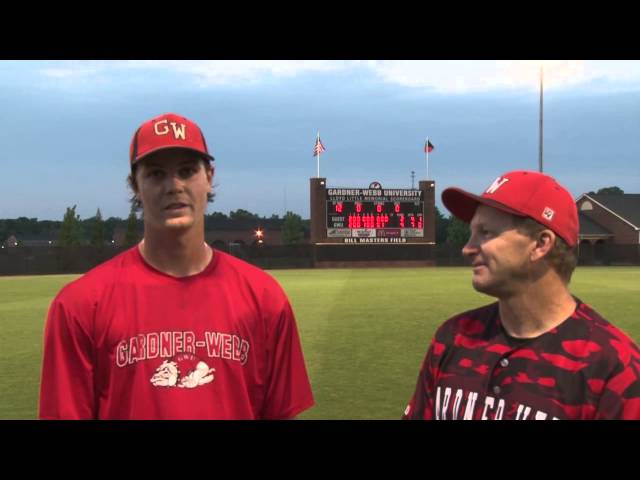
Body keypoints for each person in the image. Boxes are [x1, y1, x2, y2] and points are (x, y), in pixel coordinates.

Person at [39, 112, 314, 419]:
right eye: (156, 174)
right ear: (135, 185)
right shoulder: (80, 305)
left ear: (209, 177)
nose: (174, 186)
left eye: (187, 170)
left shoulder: (264, 299)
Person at [403, 170, 640, 420]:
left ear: (540, 244)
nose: (467, 248)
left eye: (486, 232)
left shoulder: (614, 367)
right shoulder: (454, 336)